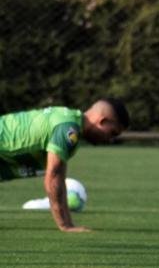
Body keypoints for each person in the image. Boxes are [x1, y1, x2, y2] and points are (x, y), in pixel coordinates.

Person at [1, 99, 130, 232]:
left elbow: (59, 178)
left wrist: (68, 223)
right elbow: (53, 177)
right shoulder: (69, 130)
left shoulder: (70, 120)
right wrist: (65, 225)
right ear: (102, 121)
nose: (110, 139)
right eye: (112, 133)